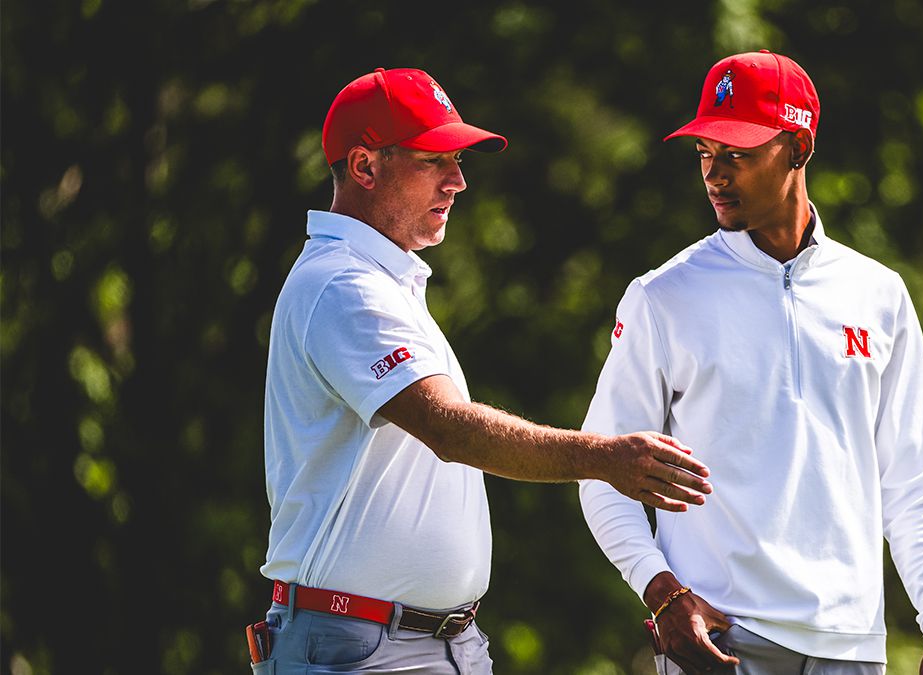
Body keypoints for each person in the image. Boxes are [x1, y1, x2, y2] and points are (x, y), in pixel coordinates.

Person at [254, 67, 714, 675]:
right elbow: (450, 429)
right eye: (434, 160)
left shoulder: (381, 282)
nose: (459, 181)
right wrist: (603, 457)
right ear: (365, 167)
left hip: (428, 643)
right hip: (359, 648)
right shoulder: (343, 283)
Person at [578, 51, 923, 675]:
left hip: (852, 649)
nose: (714, 173)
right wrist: (662, 591)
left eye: (737, 153)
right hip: (719, 643)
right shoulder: (662, 297)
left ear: (798, 146)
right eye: (704, 153)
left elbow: (914, 485)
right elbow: (599, 468)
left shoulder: (879, 294)